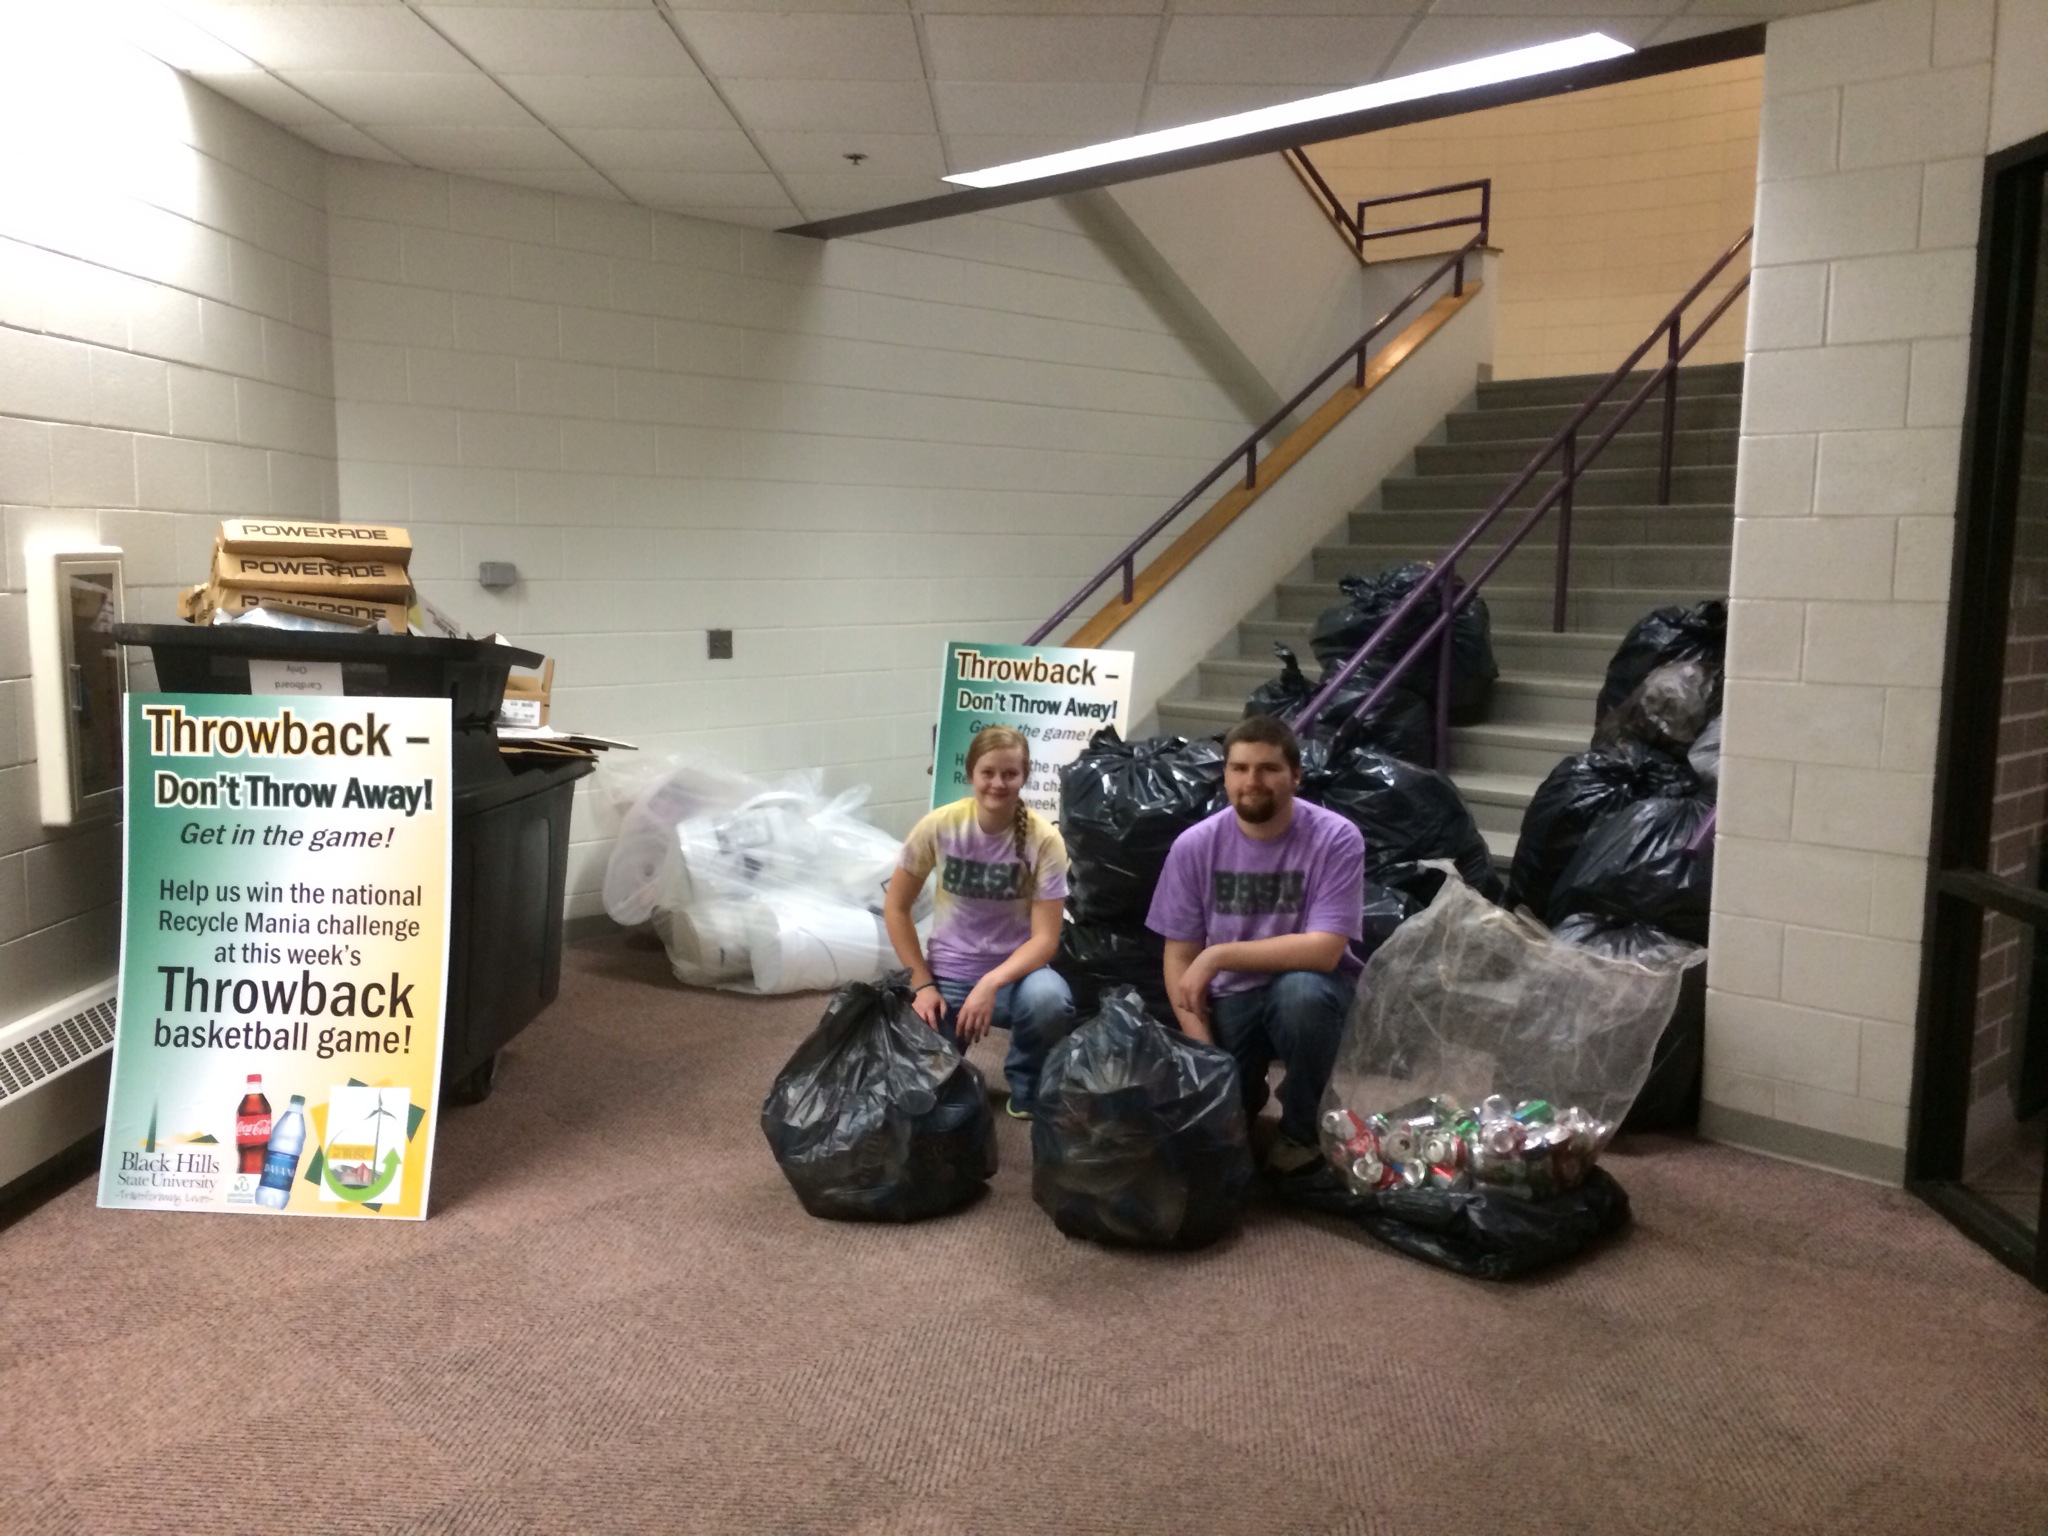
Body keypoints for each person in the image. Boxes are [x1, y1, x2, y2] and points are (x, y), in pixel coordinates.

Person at [1146, 715, 1364, 1171]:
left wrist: (1220, 953)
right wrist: (1204, 1052)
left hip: (1314, 989)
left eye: (1268, 768)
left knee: (1299, 996)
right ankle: (1248, 1093)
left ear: (1296, 776)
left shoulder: (1336, 837)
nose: (1252, 781)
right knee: (1220, 1123)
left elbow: (1324, 950)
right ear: (1224, 775)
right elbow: (1179, 957)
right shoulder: (1194, 846)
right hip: (1231, 997)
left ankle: (1302, 1131)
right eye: (1240, 768)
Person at [884, 725, 1076, 1119]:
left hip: (1017, 978)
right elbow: (896, 908)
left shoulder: (1045, 840)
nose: (998, 783)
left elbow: (1046, 939)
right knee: (923, 1096)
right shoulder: (939, 826)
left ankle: (1027, 1090)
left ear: (1024, 776)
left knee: (1050, 1000)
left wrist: (990, 983)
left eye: (1010, 774)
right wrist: (922, 985)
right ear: (971, 773)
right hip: (948, 976)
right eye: (988, 772)